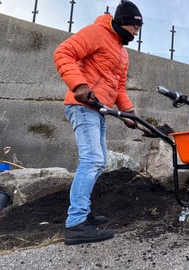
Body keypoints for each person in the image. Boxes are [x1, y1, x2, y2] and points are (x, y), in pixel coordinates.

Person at [53, 0, 143, 245]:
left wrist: (129, 114)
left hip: (99, 109)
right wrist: (80, 85)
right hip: (82, 106)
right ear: (122, 22)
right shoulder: (96, 33)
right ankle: (76, 224)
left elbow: (119, 88)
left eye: (139, 29)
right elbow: (63, 53)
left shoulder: (122, 54)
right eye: (135, 27)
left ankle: (84, 213)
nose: (136, 33)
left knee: (99, 162)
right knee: (91, 160)